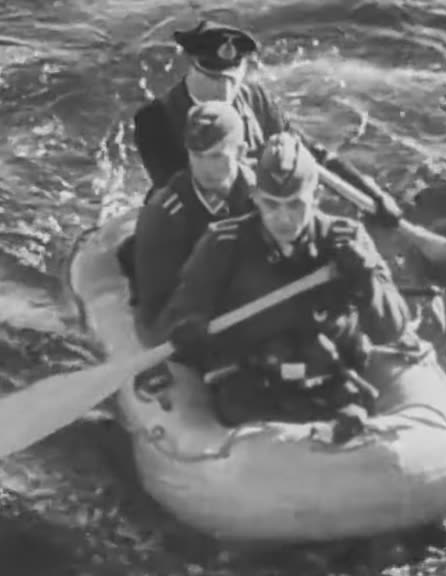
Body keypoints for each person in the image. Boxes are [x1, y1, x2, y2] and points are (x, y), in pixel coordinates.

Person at [152, 131, 411, 434]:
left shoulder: (347, 239)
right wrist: (188, 328)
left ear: (315, 198)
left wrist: (366, 283)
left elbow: (393, 328)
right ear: (256, 198)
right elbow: (177, 317)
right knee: (237, 405)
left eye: (295, 205)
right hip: (253, 388)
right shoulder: (224, 244)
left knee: (352, 415)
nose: (284, 218)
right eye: (272, 205)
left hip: (331, 383)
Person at [131, 20, 403, 228]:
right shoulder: (154, 119)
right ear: (191, 67)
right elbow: (189, 191)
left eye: (231, 79)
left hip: (265, 212)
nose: (224, 91)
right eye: (212, 79)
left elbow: (308, 153)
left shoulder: (255, 98)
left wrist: (373, 194)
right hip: (188, 222)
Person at [123, 101, 255, 325]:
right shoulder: (165, 216)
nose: (203, 168)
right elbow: (155, 312)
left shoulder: (264, 194)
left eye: (215, 156)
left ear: (241, 151)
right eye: (197, 155)